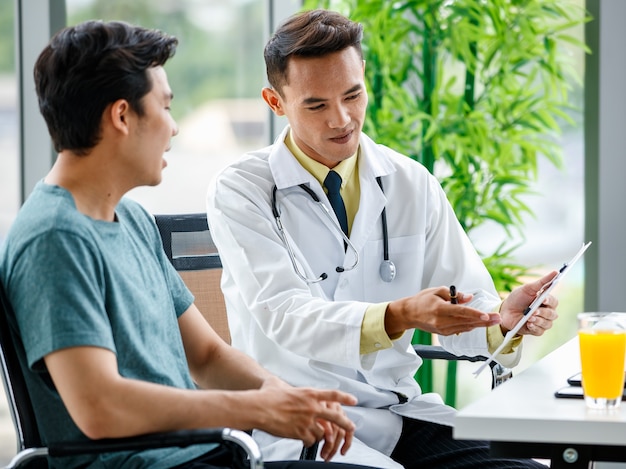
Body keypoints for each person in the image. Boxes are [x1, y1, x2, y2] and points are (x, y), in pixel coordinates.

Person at [0, 19, 379, 469]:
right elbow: (101, 407)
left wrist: (286, 398)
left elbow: (207, 354)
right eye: (164, 106)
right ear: (122, 116)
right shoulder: (54, 239)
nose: (174, 128)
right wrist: (254, 411)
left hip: (204, 457)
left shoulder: (133, 220)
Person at [206, 9, 559, 469]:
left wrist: (500, 321)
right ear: (275, 102)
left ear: (365, 79)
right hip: (301, 424)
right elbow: (284, 315)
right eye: (316, 105)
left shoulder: (411, 182)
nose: (342, 119)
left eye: (353, 95)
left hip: (399, 414)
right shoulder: (242, 190)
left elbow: (464, 301)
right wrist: (400, 315)